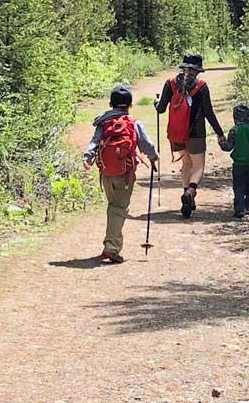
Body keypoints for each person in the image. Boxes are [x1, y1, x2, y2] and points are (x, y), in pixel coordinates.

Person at [83, 86, 158, 263]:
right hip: (125, 172)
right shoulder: (134, 122)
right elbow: (147, 145)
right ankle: (111, 248)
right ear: (130, 105)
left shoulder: (103, 122)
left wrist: (88, 158)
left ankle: (110, 244)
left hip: (106, 171)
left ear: (110, 104)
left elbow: (94, 142)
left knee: (113, 205)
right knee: (118, 208)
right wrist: (154, 158)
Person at [155, 54, 225, 218]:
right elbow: (208, 112)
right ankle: (191, 191)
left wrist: (156, 104)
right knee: (198, 166)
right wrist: (220, 133)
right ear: (197, 70)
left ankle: (187, 195)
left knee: (186, 164)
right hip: (196, 132)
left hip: (176, 133)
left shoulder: (170, 83)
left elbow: (161, 109)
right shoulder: (201, 86)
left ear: (184, 68)